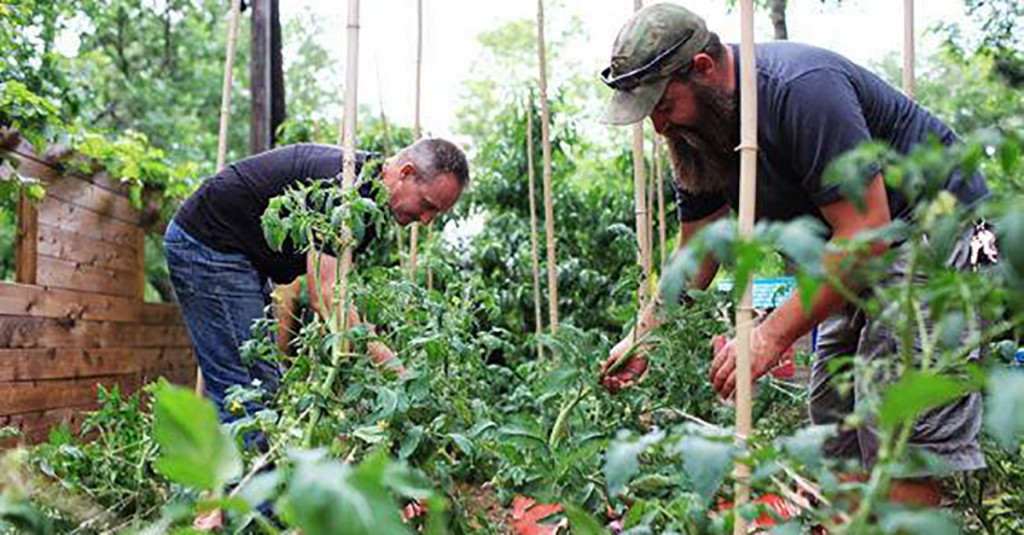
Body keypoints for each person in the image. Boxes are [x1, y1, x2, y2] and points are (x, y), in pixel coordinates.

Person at [597, 3, 991, 506]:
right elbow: (695, 253)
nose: (658, 127)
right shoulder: (699, 135)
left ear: (703, 68)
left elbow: (867, 233)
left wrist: (768, 337)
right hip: (857, 256)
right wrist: (642, 337)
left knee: (898, 429)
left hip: (935, 234)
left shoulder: (802, 89)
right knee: (835, 427)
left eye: (663, 106)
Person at [164, 139, 470, 426]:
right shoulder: (345, 189)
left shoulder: (370, 203)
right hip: (209, 246)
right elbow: (326, 295)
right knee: (248, 392)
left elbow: (341, 289)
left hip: (240, 258)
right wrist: (398, 373)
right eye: (427, 204)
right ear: (405, 173)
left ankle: (224, 475)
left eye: (436, 213)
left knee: (259, 383)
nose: (427, 220)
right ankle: (246, 482)